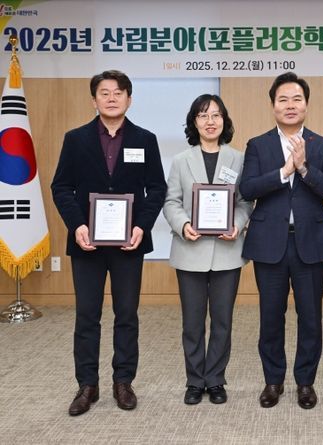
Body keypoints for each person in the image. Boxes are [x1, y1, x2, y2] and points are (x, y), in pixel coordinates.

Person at [51, 70, 167, 416]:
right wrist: (77, 225)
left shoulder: (145, 139)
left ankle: (123, 382)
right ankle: (87, 385)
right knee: (87, 315)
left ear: (129, 99)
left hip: (129, 244)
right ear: (94, 100)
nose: (112, 98)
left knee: (126, 314)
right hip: (87, 243)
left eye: (118, 92)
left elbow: (156, 188)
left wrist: (142, 226)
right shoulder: (76, 139)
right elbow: (61, 187)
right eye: (104, 93)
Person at [239, 72, 323, 409]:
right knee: (271, 316)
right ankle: (273, 381)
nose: (290, 105)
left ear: (306, 105)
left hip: (310, 243)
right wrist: (284, 172)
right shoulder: (258, 145)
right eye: (283, 99)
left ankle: (305, 382)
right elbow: (247, 188)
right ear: (273, 106)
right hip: (269, 243)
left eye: (297, 99)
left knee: (310, 317)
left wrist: (304, 168)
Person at [162, 94, 253, 405]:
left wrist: (237, 224)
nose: (210, 121)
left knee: (222, 321)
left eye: (216, 115)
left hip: (228, 251)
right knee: (192, 322)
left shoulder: (238, 159)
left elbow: (245, 202)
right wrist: (183, 224)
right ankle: (194, 380)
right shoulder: (180, 160)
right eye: (203, 116)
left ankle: (215, 379)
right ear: (194, 122)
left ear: (224, 121)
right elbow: (171, 202)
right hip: (190, 249)